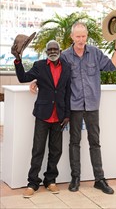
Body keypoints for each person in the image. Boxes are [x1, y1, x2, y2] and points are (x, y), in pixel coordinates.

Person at [30, 22, 116, 195]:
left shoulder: (95, 53)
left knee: (94, 142)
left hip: (92, 105)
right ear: (72, 37)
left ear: (86, 36)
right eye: (78, 36)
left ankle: (99, 179)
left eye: (83, 36)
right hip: (74, 106)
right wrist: (37, 80)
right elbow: (51, 72)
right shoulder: (65, 56)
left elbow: (112, 66)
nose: (81, 40)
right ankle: (75, 178)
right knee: (74, 142)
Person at [11, 40, 71, 198]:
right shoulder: (39, 66)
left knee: (56, 151)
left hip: (59, 116)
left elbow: (68, 91)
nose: (52, 51)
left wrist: (67, 115)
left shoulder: (67, 67)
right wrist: (18, 60)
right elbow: (23, 77)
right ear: (46, 52)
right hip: (42, 115)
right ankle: (32, 183)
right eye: (49, 49)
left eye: (55, 49)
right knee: (37, 150)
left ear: (60, 50)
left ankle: (50, 180)